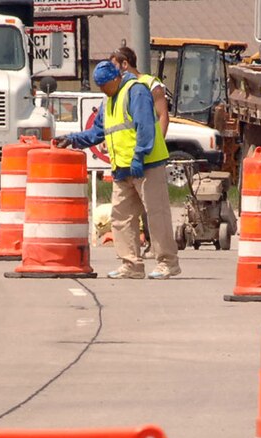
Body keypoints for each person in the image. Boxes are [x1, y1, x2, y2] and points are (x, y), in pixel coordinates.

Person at [56, 60, 180, 280]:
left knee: (156, 214)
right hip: (122, 168)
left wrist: (139, 156)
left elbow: (145, 127)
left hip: (147, 165)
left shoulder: (136, 91)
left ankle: (167, 263)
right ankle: (131, 264)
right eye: (100, 86)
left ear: (116, 78)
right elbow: (97, 132)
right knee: (121, 217)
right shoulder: (109, 100)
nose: (103, 89)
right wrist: (72, 139)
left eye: (105, 85)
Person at [110, 45, 169, 138]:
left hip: (148, 143)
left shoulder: (151, 84)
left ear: (124, 64)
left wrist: (157, 142)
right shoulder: (120, 87)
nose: (112, 71)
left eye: (114, 66)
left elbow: (163, 116)